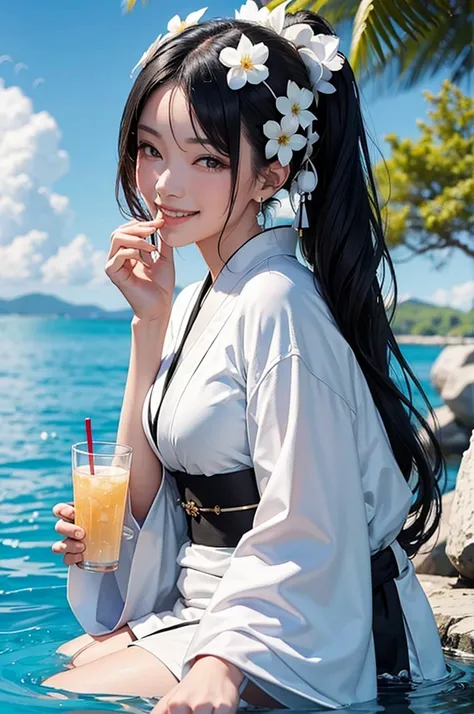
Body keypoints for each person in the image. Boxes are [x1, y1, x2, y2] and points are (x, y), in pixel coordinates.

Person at [43, 3, 448, 711]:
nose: (166, 184)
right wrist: (150, 323)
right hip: (217, 600)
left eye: (205, 158)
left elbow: (310, 523)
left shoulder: (275, 301)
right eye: (150, 149)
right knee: (66, 662)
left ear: (271, 174)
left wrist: (222, 664)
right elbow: (159, 499)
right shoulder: (202, 294)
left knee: (58, 696)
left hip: (314, 622)